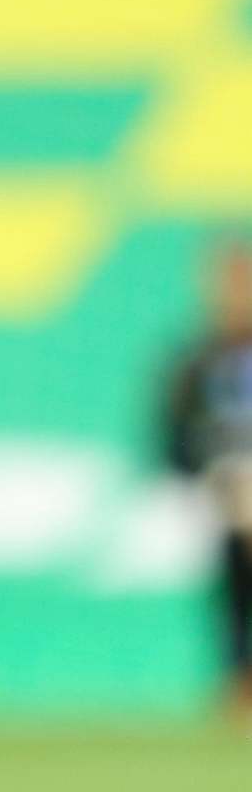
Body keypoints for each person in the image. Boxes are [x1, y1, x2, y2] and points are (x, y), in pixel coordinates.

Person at [161, 237, 252, 722]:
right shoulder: (198, 360)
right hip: (221, 493)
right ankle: (238, 679)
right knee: (234, 564)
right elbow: (174, 434)